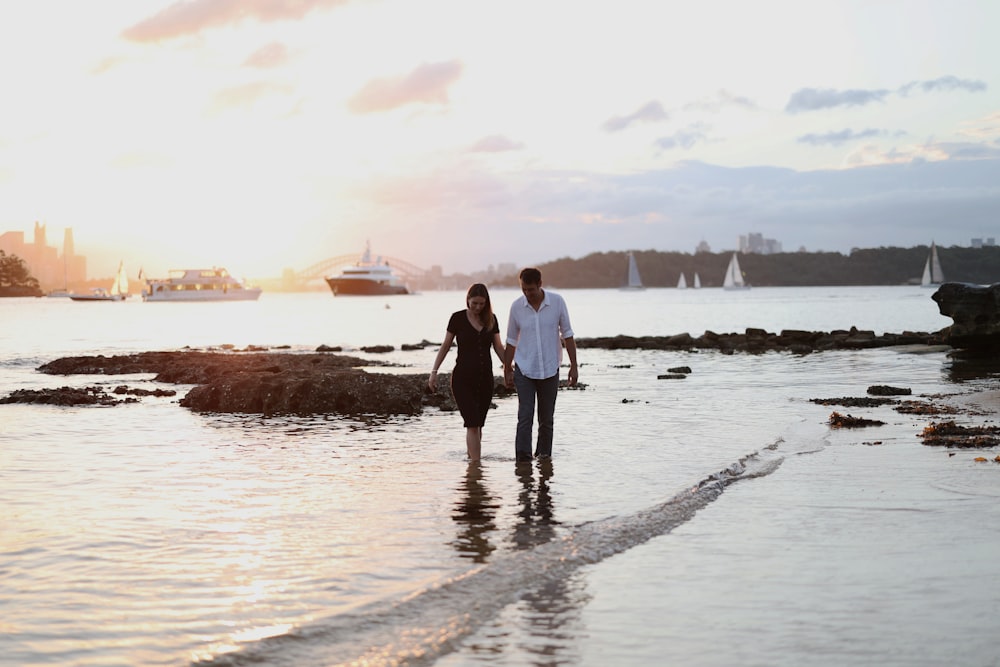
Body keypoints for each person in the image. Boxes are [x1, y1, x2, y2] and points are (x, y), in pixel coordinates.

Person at [503, 267, 578, 462]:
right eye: (523, 289)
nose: (527, 294)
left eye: (531, 289)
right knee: (525, 416)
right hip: (524, 369)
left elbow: (567, 335)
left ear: (540, 284)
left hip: (550, 368)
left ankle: (544, 460)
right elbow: (511, 340)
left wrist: (574, 366)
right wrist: (507, 369)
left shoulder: (557, 302)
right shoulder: (516, 307)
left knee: (546, 420)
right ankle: (523, 461)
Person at [428, 283, 506, 460]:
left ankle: (473, 467)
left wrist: (510, 368)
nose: (478, 307)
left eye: (482, 304)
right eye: (474, 303)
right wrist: (434, 372)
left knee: (478, 425)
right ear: (468, 300)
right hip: (462, 379)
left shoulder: (491, 319)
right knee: (472, 423)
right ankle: (476, 468)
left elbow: (499, 348)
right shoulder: (457, 318)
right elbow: (446, 346)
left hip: (485, 379)